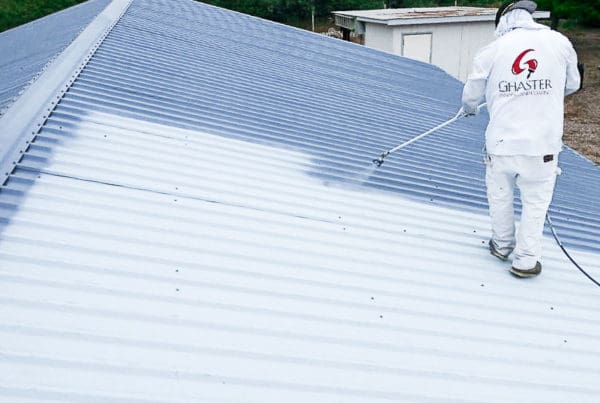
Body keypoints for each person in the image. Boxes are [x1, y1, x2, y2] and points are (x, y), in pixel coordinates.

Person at [461, 0, 581, 278]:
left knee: (500, 196)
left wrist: (470, 109)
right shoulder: (559, 42)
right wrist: (541, 94)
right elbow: (573, 84)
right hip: (543, 145)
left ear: (503, 21)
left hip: (501, 143)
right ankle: (526, 261)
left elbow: (470, 97)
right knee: (535, 205)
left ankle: (502, 246)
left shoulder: (492, 50)